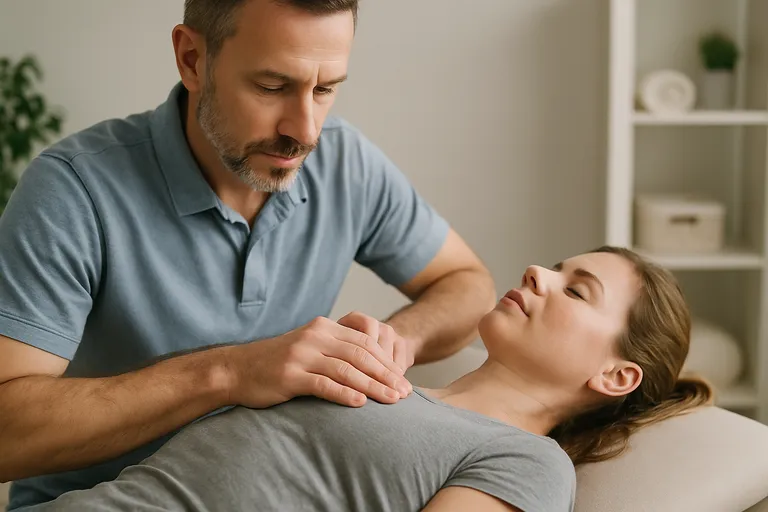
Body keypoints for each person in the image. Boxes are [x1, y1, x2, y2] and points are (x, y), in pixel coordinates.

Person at [0, 0, 497, 509]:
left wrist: (391, 344)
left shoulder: (346, 163)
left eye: (325, 89)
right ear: (192, 59)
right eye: (271, 86)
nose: (305, 132)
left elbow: (466, 284)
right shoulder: (73, 190)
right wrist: (229, 373)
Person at [17, 246, 714, 512]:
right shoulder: (395, 380)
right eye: (558, 265)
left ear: (617, 374)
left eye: (578, 289)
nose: (540, 272)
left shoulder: (528, 464)